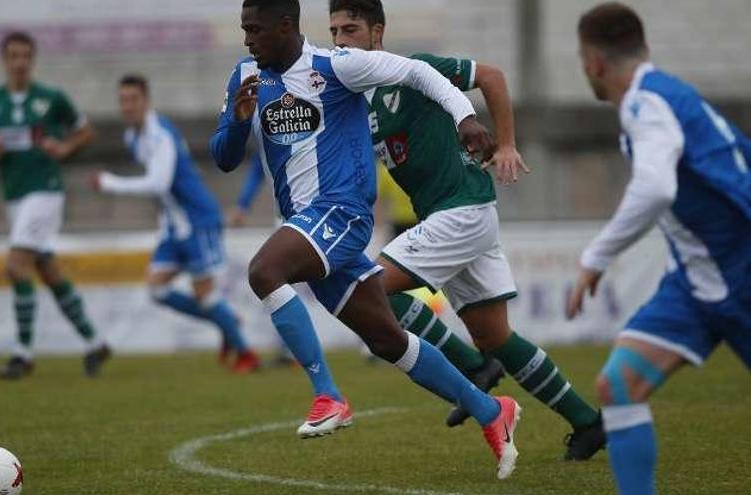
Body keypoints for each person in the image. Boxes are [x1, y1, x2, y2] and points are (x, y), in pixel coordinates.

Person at [211, 0, 522, 480]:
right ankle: (491, 410)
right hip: (309, 225)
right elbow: (224, 158)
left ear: (285, 26)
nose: (247, 40)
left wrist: (465, 117)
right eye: (243, 30)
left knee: (264, 271)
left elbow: (420, 74)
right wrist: (236, 118)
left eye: (254, 30)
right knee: (388, 340)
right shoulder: (246, 76)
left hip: (342, 213)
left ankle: (328, 395)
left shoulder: (337, 66)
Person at [329, 0, 605, 460]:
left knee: (369, 289)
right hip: (452, 215)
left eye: (351, 30)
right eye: (334, 31)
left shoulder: (413, 69)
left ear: (377, 31)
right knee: (495, 334)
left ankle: (473, 370)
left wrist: (508, 143)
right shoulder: (356, 94)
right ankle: (588, 423)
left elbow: (492, 76)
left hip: (461, 210)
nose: (340, 41)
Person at [566, 3, 751, 493]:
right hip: (697, 281)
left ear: (594, 64)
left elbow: (655, 189)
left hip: (744, 269)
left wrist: (595, 258)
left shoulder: (645, 103)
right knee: (619, 384)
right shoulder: (662, 96)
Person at [92, 74, 260, 373]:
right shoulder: (133, 138)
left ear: (146, 101)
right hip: (175, 226)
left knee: (205, 295)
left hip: (198, 220)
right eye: (123, 101)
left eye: (133, 100)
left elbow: (159, 184)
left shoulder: (161, 136)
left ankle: (246, 353)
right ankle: (226, 319)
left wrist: (109, 183)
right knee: (156, 290)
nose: (128, 107)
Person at [0, 31, 110, 379]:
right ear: (4, 60)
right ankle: (95, 343)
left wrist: (64, 148)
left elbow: (85, 130)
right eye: (13, 56)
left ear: (32, 60)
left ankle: (23, 353)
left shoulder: (51, 98)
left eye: (25, 56)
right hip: (14, 195)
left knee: (15, 267)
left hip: (44, 192)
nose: (19, 62)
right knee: (47, 271)